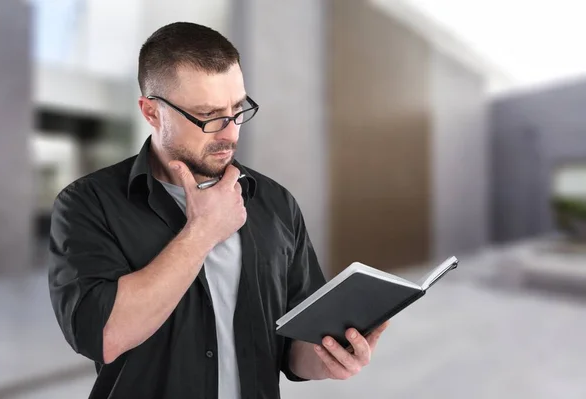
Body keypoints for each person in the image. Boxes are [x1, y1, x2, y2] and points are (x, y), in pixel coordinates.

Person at [48, 21, 388, 399]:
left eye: (238, 109)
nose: (230, 133)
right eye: (209, 116)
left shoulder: (275, 203)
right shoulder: (87, 204)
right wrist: (203, 232)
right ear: (151, 113)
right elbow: (104, 336)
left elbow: (294, 347)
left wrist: (328, 358)